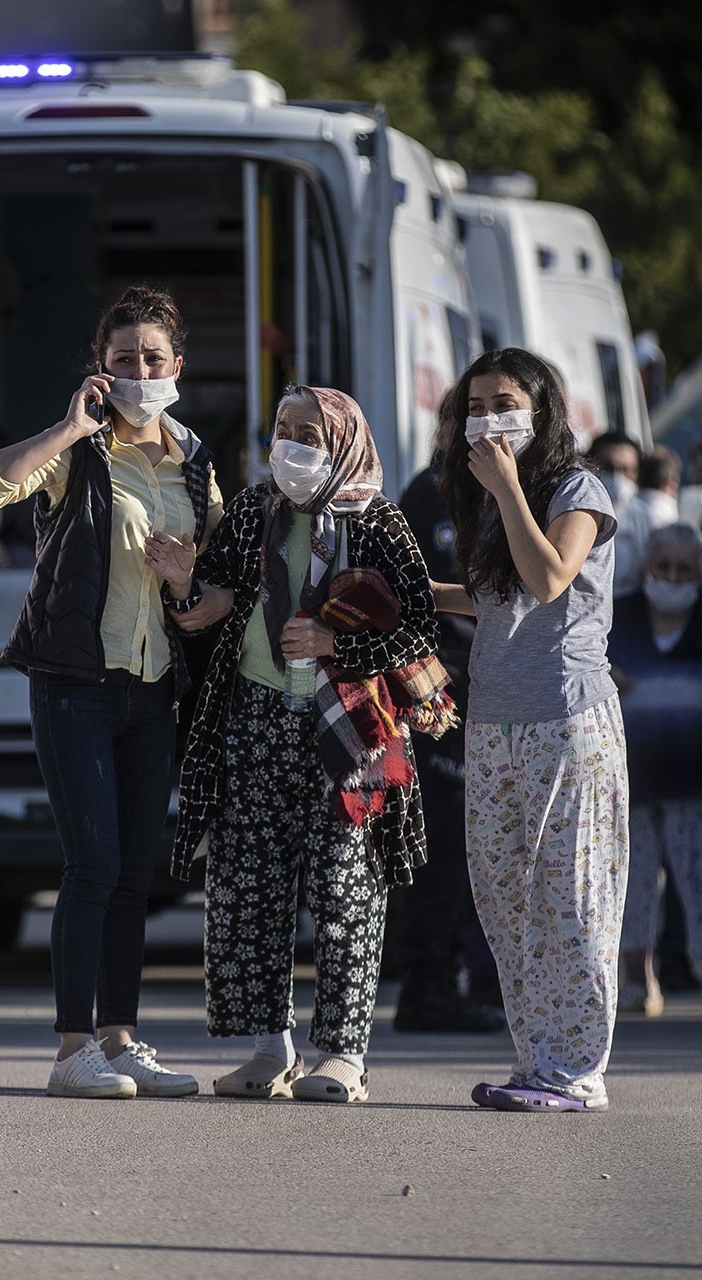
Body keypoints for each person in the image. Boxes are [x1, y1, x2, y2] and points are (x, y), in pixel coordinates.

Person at [0, 283, 223, 1098]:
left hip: (153, 690)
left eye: (153, 357)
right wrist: (69, 427)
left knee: (135, 872)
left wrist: (188, 585)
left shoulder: (196, 461)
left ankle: (121, 1038)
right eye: (123, 358)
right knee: (93, 864)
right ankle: (74, 1047)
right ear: (100, 371)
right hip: (76, 681)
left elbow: (216, 583)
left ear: (176, 365)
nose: (140, 369)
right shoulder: (77, 451)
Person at [162, 386, 454, 1104]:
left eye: (310, 433)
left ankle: (343, 1055)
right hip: (256, 719)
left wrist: (337, 640)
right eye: (284, 429)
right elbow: (214, 601)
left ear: (345, 442)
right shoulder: (256, 511)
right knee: (248, 885)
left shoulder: (380, 521)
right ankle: (270, 1051)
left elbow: (418, 626)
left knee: (345, 887)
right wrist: (181, 588)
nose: (291, 444)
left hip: (349, 725)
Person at [432, 348, 629, 1113]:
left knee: (571, 899)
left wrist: (509, 485)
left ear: (543, 407)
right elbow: (499, 599)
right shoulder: (487, 498)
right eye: (476, 405)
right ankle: (541, 1060)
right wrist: (417, 590)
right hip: (496, 720)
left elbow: (549, 579)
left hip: (568, 718)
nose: (487, 418)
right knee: (506, 897)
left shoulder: (577, 488)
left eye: (504, 400)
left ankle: (579, 1070)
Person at [609, 525, 702, 1018]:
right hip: (634, 769)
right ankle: (638, 978)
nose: (672, 578)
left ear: (701, 575)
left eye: (684, 570)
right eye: (663, 567)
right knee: (628, 877)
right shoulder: (618, 612)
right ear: (645, 569)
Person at [389, 445, 508, 1034]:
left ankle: (469, 976)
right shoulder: (430, 490)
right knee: (440, 842)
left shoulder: (531, 489)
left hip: (507, 685)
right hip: (440, 685)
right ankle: (427, 984)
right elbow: (409, 593)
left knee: (485, 845)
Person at [587, 431, 644, 596]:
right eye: (608, 468)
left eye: (626, 470)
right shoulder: (571, 512)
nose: (618, 478)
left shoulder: (645, 518)